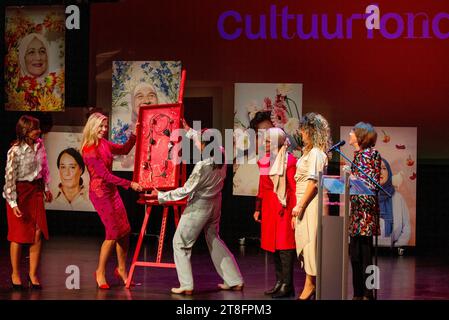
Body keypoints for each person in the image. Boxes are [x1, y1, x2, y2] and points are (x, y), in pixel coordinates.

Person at [151, 119, 244, 295]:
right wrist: (188, 130)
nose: (198, 145)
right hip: (215, 203)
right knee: (213, 238)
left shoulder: (203, 166)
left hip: (200, 206)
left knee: (180, 243)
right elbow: (203, 140)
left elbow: (186, 191)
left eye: (200, 143)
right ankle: (234, 279)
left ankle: (186, 284)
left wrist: (161, 195)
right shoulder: (222, 155)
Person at [81, 112, 143, 289]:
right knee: (112, 234)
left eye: (106, 126)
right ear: (92, 127)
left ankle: (122, 269)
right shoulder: (89, 150)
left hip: (112, 192)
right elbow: (105, 176)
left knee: (125, 231)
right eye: (101, 126)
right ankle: (100, 271)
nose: (104, 129)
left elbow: (123, 149)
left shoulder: (104, 143)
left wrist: (134, 135)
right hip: (100, 193)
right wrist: (130, 184)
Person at [3, 115, 53, 290]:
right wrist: (13, 203)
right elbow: (9, 178)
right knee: (17, 235)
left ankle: (32, 274)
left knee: (37, 232)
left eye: (38, 128)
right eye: (34, 129)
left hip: (36, 190)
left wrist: (47, 188)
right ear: (25, 131)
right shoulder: (14, 151)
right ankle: (15, 273)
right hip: (20, 193)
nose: (38, 131)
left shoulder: (40, 145)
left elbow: (44, 168)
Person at [291, 112, 331, 300]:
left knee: (311, 244)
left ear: (312, 131)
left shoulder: (316, 153)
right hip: (304, 202)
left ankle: (310, 284)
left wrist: (301, 205)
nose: (301, 133)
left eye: (304, 130)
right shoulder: (309, 152)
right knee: (305, 242)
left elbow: (313, 182)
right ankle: (310, 283)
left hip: (311, 203)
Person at [253, 127, 297, 298]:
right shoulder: (264, 161)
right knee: (273, 246)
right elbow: (262, 186)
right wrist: (258, 207)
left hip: (284, 205)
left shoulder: (290, 161)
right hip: (269, 206)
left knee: (285, 245)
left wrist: (293, 209)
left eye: (269, 141)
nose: (266, 143)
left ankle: (288, 284)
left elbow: (293, 188)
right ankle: (279, 282)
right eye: (265, 140)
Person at [347, 122, 381, 300]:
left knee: (367, 255)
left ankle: (369, 293)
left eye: (353, 131)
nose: (350, 133)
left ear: (360, 135)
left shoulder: (370, 155)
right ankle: (358, 293)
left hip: (366, 212)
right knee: (355, 254)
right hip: (356, 211)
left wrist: (352, 178)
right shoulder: (358, 155)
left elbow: (369, 184)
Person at [378, 158, 411, 249]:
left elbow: (406, 226)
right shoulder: (366, 196)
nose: (380, 172)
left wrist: (397, 245)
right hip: (368, 251)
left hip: (392, 251)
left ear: (389, 172)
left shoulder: (397, 197)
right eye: (376, 168)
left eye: (384, 168)